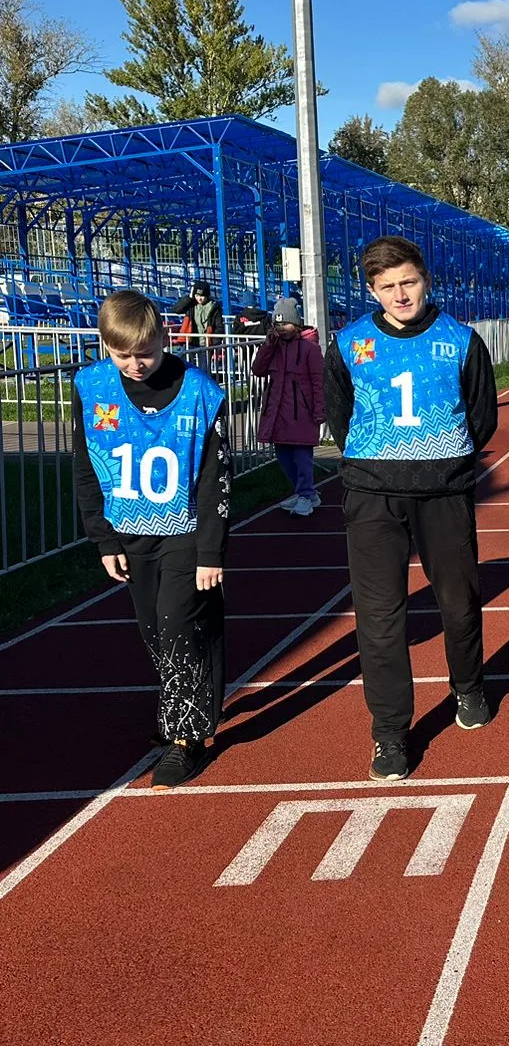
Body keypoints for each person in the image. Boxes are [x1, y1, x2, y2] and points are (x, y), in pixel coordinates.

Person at [324, 236, 500, 781]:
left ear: (426, 279)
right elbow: (339, 415)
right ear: (372, 291)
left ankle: (468, 687)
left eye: (409, 281)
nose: (401, 294)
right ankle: (390, 733)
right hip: (373, 495)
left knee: (459, 601)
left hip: (444, 492)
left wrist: (442, 458)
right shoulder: (350, 344)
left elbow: (482, 415)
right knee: (380, 619)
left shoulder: (461, 340)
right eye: (387, 286)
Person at [72, 289, 231, 788]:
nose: (136, 364)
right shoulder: (92, 387)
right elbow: (84, 469)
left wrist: (211, 550)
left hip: (183, 532)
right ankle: (179, 709)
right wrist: (102, 539)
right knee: (154, 632)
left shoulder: (201, 392)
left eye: (145, 353)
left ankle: (187, 738)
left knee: (178, 624)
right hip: (129, 531)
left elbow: (215, 479)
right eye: (123, 355)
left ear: (164, 338)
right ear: (104, 346)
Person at [252, 295, 325, 517]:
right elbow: (258, 369)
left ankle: (305, 493)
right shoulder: (273, 347)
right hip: (277, 413)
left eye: (286, 323)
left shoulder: (310, 350)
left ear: (297, 323)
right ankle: (305, 492)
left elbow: (319, 381)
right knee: (283, 455)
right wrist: (267, 346)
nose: (282, 328)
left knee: (302, 457)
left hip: (302, 412)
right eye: (278, 324)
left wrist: (320, 410)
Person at [172, 279, 223, 344]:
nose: (199, 298)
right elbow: (176, 310)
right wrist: (189, 297)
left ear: (207, 295)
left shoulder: (214, 307)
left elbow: (219, 327)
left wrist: (214, 343)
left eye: (202, 296)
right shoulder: (190, 304)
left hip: (206, 344)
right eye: (197, 295)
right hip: (190, 342)